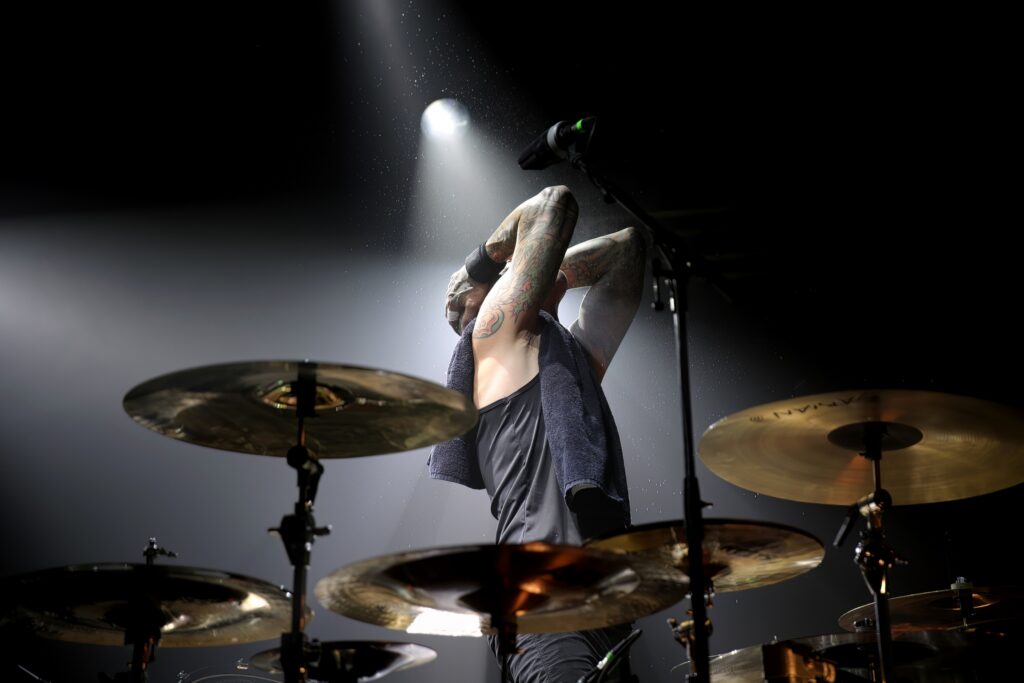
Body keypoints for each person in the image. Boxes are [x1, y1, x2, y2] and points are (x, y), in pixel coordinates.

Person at [428, 185, 647, 682]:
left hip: (599, 604)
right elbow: (554, 204)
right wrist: (480, 267)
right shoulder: (495, 337)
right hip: (541, 599)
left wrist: (550, 274)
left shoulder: (562, 367)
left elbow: (629, 250)